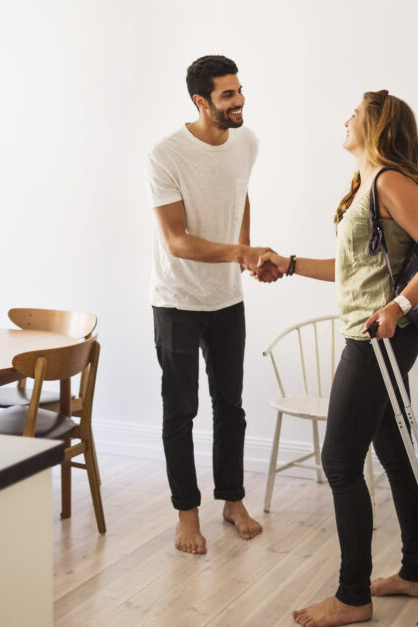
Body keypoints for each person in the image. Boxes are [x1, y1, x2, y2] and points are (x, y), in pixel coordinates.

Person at [256, 90, 418, 626]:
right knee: (392, 455)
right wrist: (292, 263)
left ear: (376, 125)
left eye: (354, 113)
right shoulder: (368, 185)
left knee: (340, 463)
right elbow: (354, 272)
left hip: (377, 339)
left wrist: (396, 306)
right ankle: (417, 572)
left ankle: (352, 597)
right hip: (376, 333)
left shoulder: (391, 181)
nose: (345, 119)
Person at [148, 55, 277, 555]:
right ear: (201, 102)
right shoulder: (165, 155)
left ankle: (232, 500)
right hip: (177, 301)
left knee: (231, 408)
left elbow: (239, 193)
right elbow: (177, 241)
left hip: (227, 300)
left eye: (239, 89)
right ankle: (187, 514)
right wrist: (240, 252)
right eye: (227, 94)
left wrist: (242, 253)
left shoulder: (247, 141)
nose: (239, 100)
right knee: (181, 412)